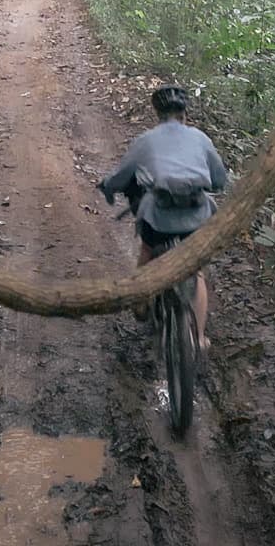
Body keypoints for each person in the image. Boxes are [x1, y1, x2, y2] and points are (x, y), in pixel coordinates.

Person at [98, 85, 227, 352]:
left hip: (159, 218)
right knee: (196, 271)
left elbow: (122, 176)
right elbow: (219, 180)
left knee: (147, 249)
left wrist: (107, 186)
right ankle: (199, 337)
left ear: (157, 113)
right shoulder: (201, 138)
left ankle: (141, 300)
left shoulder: (146, 140)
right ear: (185, 114)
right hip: (196, 217)